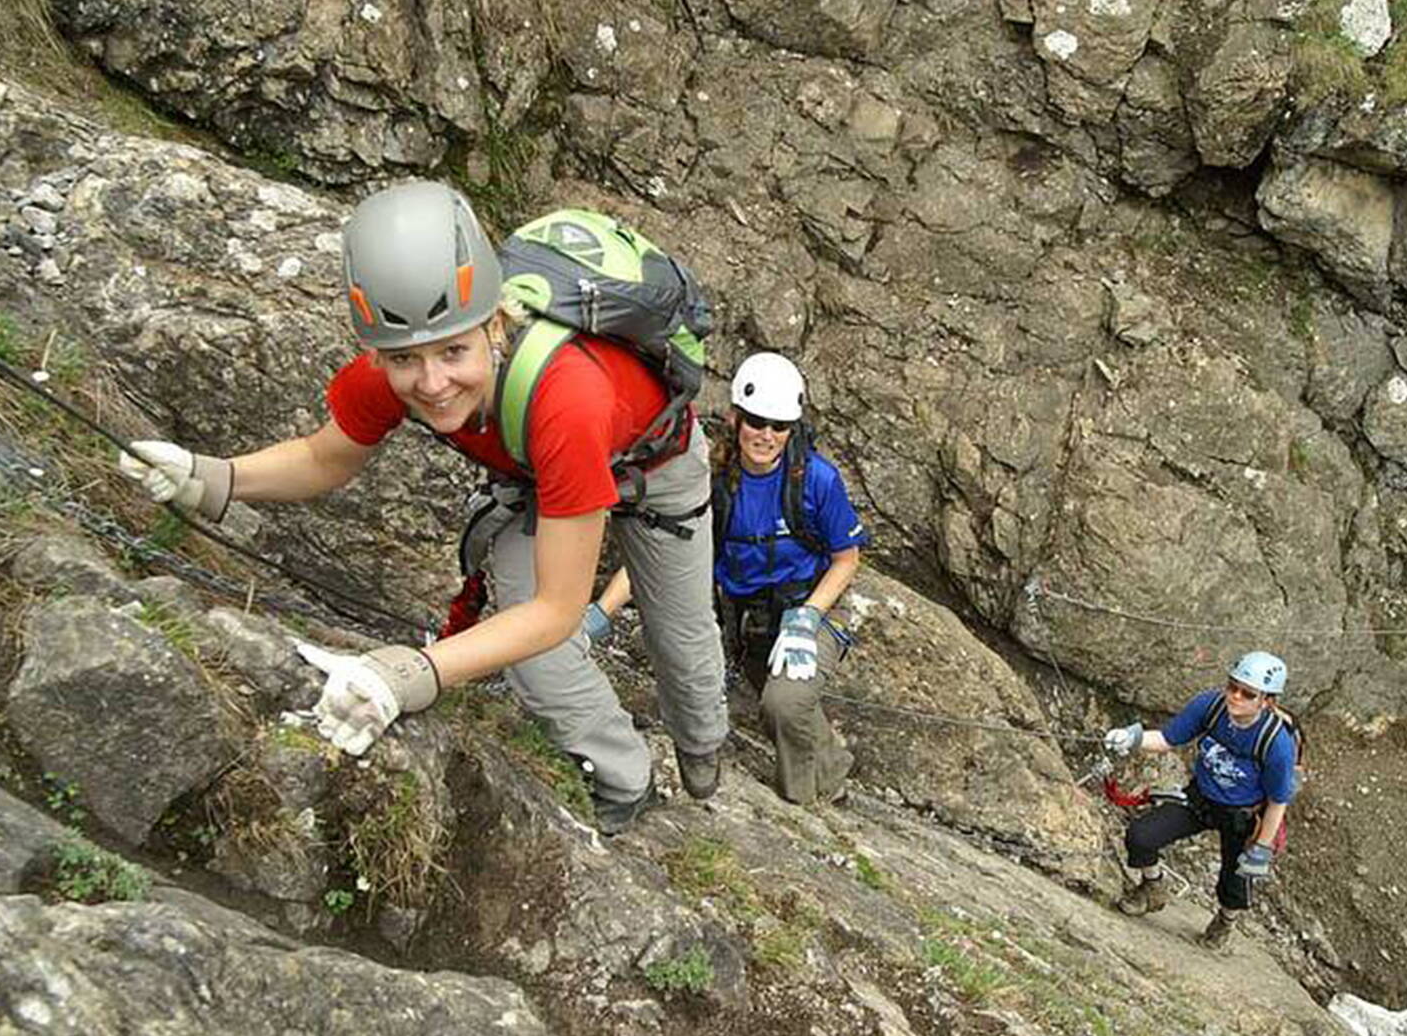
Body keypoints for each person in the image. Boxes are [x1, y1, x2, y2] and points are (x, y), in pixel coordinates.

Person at [115, 181, 728, 835]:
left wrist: (416, 673)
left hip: (657, 469)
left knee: (679, 631)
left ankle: (701, 754)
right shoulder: (393, 373)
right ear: (379, 354)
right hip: (540, 477)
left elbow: (558, 608)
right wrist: (213, 478)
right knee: (532, 657)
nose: (432, 384)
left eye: (454, 352)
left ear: (495, 324)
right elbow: (327, 458)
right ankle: (626, 780)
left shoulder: (566, 395)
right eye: (405, 360)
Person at [588, 352, 865, 805]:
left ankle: (807, 801)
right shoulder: (710, 479)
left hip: (813, 602)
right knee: (778, 699)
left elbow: (846, 559)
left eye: (778, 426)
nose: (766, 435)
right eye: (756, 421)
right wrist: (600, 612)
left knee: (785, 703)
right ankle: (833, 771)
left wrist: (808, 618)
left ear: (791, 429)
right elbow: (659, 554)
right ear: (736, 419)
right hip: (752, 618)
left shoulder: (816, 480)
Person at [1102, 651, 1299, 949]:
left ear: (1266, 701)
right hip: (1202, 798)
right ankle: (1152, 887)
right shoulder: (1210, 707)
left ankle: (1225, 921)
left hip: (1243, 816)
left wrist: (1261, 848)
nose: (1235, 696)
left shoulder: (1276, 744)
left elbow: (1277, 801)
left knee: (1236, 880)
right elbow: (1169, 739)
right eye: (1232, 686)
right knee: (1141, 837)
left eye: (1247, 694)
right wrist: (1133, 739)